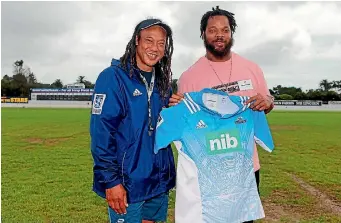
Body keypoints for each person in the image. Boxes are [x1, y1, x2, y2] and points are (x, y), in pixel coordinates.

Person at [169, 6, 274, 221]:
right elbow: (185, 122)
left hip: (245, 167)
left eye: (225, 30)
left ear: (232, 33)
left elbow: (267, 102)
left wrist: (268, 101)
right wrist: (176, 106)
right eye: (213, 30)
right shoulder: (189, 77)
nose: (219, 35)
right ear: (203, 34)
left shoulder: (251, 68)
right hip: (208, 171)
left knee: (244, 220)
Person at [90, 18, 176, 223]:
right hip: (127, 184)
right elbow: (101, 134)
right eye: (149, 40)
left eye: (161, 43)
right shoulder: (113, 77)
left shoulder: (163, 82)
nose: (155, 48)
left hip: (158, 182)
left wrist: (176, 110)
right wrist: (111, 182)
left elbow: (161, 130)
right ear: (136, 40)